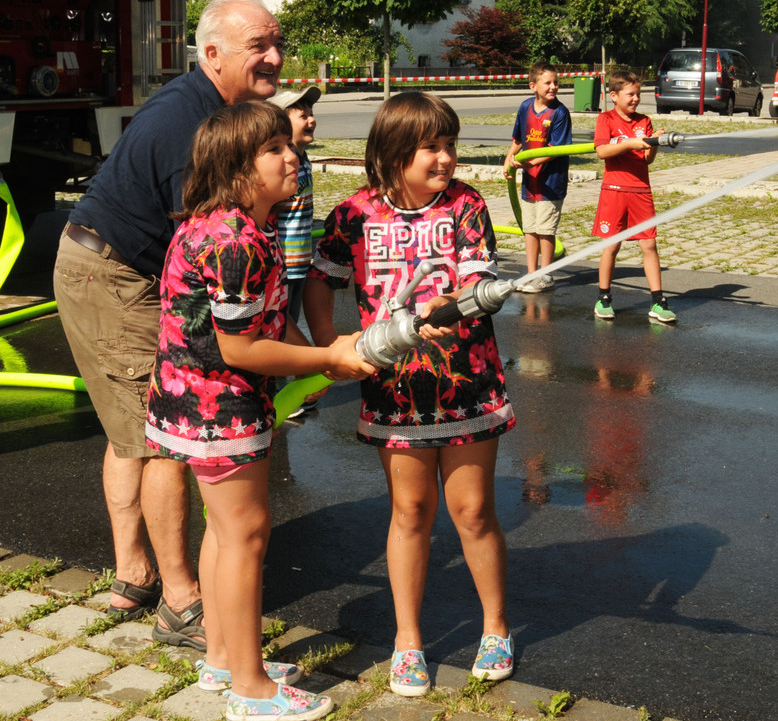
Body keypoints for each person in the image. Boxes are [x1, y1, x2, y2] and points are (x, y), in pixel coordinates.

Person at [52, 0, 284, 648]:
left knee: (136, 424)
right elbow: (214, 250)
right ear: (210, 53)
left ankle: (134, 573)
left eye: (275, 43)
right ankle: (181, 604)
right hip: (112, 275)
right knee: (163, 438)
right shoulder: (197, 129)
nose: (272, 57)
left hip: (110, 266)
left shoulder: (212, 106)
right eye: (256, 47)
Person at [145, 100, 373, 720]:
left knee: (225, 533)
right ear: (239, 171)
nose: (292, 157)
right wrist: (328, 356)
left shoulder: (226, 225)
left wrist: (321, 359)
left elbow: (267, 321)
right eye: (275, 150)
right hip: (219, 410)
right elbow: (240, 346)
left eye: (288, 147)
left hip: (192, 403)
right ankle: (249, 687)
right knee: (245, 535)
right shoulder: (239, 241)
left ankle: (224, 656)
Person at [303, 92, 516, 697]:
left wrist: (456, 303)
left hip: (467, 383)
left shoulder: (468, 205)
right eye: (432, 147)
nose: (446, 158)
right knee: (410, 513)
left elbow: (476, 277)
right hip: (394, 391)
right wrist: (332, 345)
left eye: (450, 145)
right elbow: (321, 280)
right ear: (395, 154)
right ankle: (408, 641)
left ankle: (495, 627)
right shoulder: (353, 216)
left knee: (473, 511)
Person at [591, 70, 677, 324]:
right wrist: (629, 143)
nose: (636, 98)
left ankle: (657, 301)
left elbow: (647, 159)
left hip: (641, 191)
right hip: (614, 191)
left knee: (649, 244)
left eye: (638, 94)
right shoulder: (605, 119)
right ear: (614, 96)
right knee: (612, 246)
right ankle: (604, 298)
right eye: (630, 94)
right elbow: (602, 151)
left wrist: (655, 143)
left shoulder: (644, 121)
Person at [268, 86, 322, 419]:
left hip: (300, 262)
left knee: (291, 326)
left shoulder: (303, 160)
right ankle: (274, 399)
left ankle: (290, 391)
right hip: (282, 265)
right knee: (277, 330)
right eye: (302, 115)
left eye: (311, 113)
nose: (312, 120)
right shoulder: (279, 166)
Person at [503, 61, 572, 293]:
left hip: (551, 182)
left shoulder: (560, 113)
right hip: (529, 182)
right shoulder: (525, 108)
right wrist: (509, 159)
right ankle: (531, 273)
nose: (553, 87)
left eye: (556, 83)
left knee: (545, 230)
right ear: (533, 86)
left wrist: (528, 161)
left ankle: (545, 275)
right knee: (529, 228)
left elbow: (555, 149)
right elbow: (518, 139)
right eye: (548, 83)